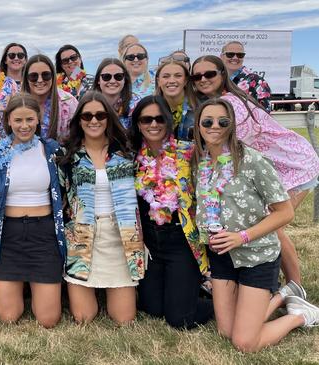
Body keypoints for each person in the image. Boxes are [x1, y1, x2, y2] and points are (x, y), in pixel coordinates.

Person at [192, 98, 319, 352]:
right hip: (222, 257)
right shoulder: (201, 163)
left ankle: (301, 316)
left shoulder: (252, 161)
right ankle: (283, 295)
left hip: (256, 256)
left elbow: (284, 213)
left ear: (232, 126)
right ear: (198, 127)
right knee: (225, 331)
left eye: (222, 121)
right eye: (207, 121)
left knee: (244, 342)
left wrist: (243, 237)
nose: (214, 126)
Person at [192, 55, 319, 287]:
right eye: (197, 76)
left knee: (273, 225)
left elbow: (227, 147)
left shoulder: (232, 105)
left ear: (222, 74)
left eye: (209, 73)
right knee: (271, 224)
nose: (203, 79)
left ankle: (295, 289)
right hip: (274, 164)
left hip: (293, 163)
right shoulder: (219, 102)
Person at [57, 91, 145, 324]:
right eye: (87, 116)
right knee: (84, 317)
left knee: (124, 318)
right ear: (79, 120)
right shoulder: (68, 156)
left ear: (109, 118)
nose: (93, 120)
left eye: (100, 115)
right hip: (82, 239)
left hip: (120, 236)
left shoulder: (126, 152)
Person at [0, 93, 66, 328]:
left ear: (38, 119)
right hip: (9, 234)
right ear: (8, 120)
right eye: (18, 120)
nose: (24, 126)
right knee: (8, 316)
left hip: (44, 234)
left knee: (48, 320)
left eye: (29, 119)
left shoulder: (51, 151)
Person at [128, 95, 213, 329]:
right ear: (138, 123)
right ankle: (186, 291)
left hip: (180, 241)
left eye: (159, 119)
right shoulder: (131, 158)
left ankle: (220, 300)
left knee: (180, 319)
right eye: (146, 119)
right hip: (149, 243)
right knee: (152, 309)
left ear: (168, 121)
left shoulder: (190, 153)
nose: (153, 124)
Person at [21, 54, 77, 142]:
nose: (40, 80)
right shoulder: (18, 103)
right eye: (33, 76)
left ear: (53, 76)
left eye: (45, 75)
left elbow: (77, 139)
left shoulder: (69, 102)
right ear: (26, 79)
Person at [220, 41, 271, 112]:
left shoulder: (258, 82)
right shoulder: (215, 79)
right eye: (230, 54)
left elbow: (265, 114)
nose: (235, 57)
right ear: (221, 56)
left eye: (240, 55)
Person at [154, 58, 198, 141]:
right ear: (158, 81)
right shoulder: (149, 108)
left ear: (185, 80)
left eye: (178, 76)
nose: (171, 81)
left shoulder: (200, 107)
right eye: (166, 76)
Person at [92, 58, 138, 129]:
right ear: (98, 80)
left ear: (124, 79)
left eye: (118, 76)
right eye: (106, 77)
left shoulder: (136, 104)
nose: (112, 81)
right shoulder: (89, 104)